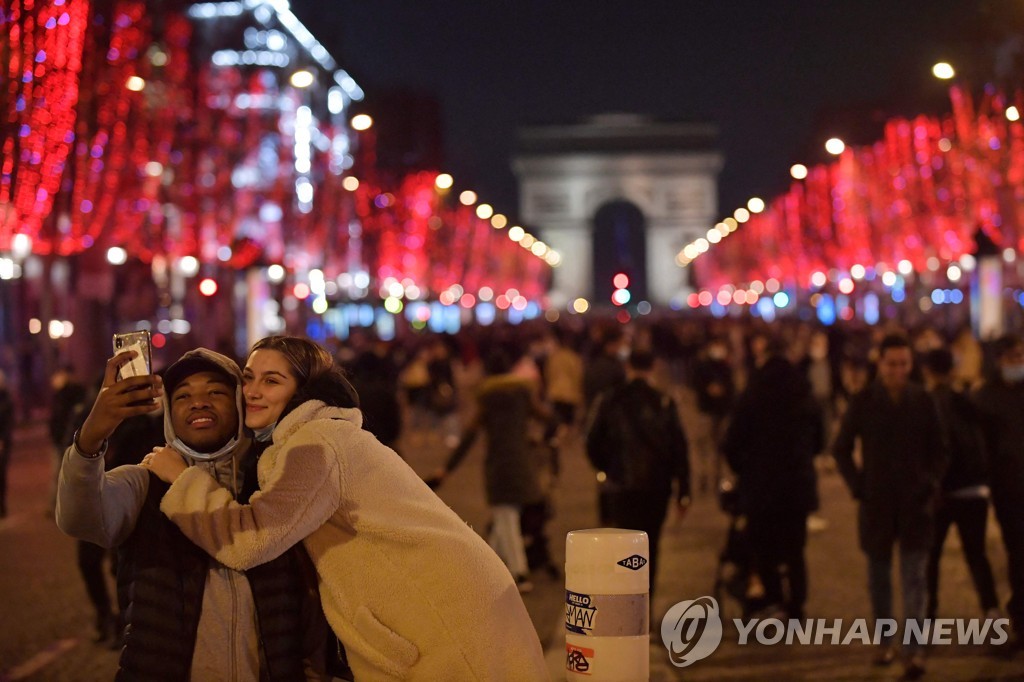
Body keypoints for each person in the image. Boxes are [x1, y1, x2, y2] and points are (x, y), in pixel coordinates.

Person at [147, 336, 548, 681]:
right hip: (451, 605)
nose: (252, 391)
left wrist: (183, 481)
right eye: (248, 378)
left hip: (444, 622)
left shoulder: (315, 444)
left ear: (302, 391)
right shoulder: (320, 435)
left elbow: (251, 538)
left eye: (272, 381)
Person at [57, 348, 344, 680]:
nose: (199, 402)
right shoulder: (144, 484)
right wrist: (91, 437)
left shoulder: (275, 485)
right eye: (182, 396)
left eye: (216, 392)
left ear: (240, 404)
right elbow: (79, 518)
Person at [832, 334, 948, 680]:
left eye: (903, 364)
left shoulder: (923, 400)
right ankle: (884, 642)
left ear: (911, 365)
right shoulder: (865, 401)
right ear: (879, 364)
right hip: (878, 504)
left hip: (915, 503)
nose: (898, 370)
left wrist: (929, 483)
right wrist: (858, 487)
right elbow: (840, 447)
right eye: (891, 363)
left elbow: (941, 449)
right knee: (879, 577)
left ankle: (913, 651)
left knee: (914, 578)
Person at [435, 346, 554, 592]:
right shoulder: (523, 392)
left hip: (499, 465)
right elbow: (549, 419)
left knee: (506, 516)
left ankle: (519, 573)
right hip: (523, 463)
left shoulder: (486, 397)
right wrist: (540, 441)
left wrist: (447, 468)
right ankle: (486, 567)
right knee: (504, 517)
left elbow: (469, 436)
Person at [722, 338, 821, 620]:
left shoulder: (753, 394)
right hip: (797, 486)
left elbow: (732, 442)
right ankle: (797, 605)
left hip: (760, 487)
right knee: (795, 550)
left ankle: (775, 599)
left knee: (763, 549)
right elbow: (820, 440)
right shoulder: (804, 393)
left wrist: (744, 469)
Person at [584, 349, 691, 596]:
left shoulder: (610, 399)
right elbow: (679, 449)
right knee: (650, 546)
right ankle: (646, 605)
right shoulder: (663, 401)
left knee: (624, 547)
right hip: (657, 486)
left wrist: (608, 469)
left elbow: (591, 442)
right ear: (653, 367)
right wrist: (683, 489)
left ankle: (625, 604)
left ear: (628, 367)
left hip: (622, 486)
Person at [920, 348, 999, 621]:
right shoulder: (967, 401)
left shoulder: (929, 403)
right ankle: (991, 611)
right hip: (974, 490)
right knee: (977, 556)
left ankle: (927, 616)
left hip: (944, 492)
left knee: (931, 557)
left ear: (927, 370)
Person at [973, 333, 1024, 645]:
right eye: (1013, 358)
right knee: (1018, 555)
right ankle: (1021, 617)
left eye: (1021, 356)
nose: (1018, 363)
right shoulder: (986, 399)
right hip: (1009, 491)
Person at [0, 370, 13, 518]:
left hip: (2, 443)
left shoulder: (6, 402)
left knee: (1, 474)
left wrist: (3, 439)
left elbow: (8, 423)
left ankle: (1, 505)